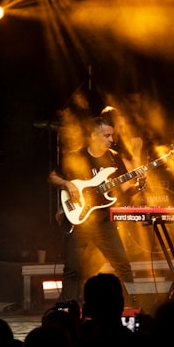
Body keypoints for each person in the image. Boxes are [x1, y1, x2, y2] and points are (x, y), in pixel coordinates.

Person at [49, 111, 138, 306]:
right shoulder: (75, 157)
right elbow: (52, 177)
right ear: (93, 135)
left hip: (104, 220)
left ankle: (131, 305)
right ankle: (67, 308)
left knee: (123, 265)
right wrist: (67, 184)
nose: (111, 140)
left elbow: (125, 189)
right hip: (80, 219)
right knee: (73, 268)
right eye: (107, 136)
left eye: (112, 136)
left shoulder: (114, 159)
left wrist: (138, 185)